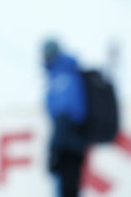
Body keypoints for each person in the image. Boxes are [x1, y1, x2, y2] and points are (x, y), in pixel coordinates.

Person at [43, 39, 89, 197]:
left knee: (67, 189)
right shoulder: (68, 75)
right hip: (74, 143)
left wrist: (54, 149)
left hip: (67, 145)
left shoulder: (62, 79)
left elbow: (64, 116)